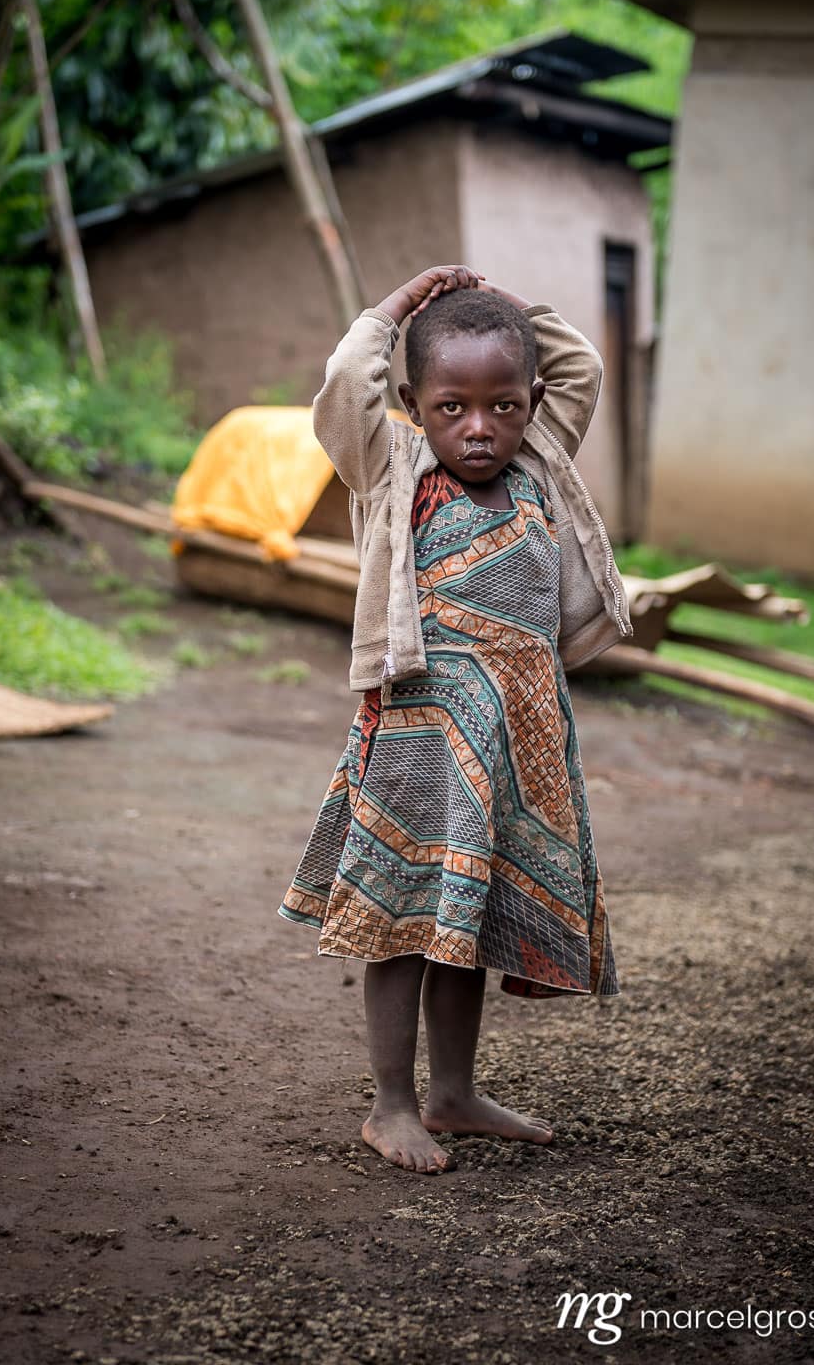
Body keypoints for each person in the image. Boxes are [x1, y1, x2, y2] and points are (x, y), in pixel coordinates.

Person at [279, 265, 633, 1174]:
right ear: (412, 403)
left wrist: (504, 308)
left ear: (531, 403)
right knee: (401, 918)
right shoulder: (392, 467)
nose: (480, 428)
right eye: (452, 407)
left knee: (461, 918)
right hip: (417, 745)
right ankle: (390, 1103)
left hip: (514, 743)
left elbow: (581, 364)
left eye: (504, 405)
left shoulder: (539, 461)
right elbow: (341, 382)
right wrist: (401, 308)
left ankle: (452, 1094)